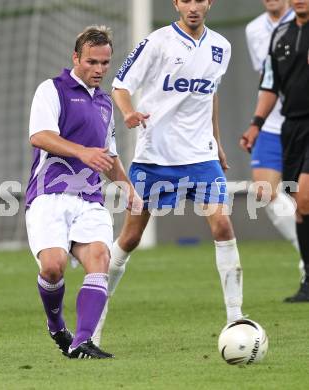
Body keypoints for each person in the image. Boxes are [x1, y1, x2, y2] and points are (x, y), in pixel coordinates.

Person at [93, 0, 245, 346]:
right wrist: (129, 113)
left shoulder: (222, 45)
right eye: (185, 0)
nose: (193, 6)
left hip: (201, 157)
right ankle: (94, 325)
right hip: (155, 158)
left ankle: (236, 319)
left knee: (222, 225)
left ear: (210, 3)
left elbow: (211, 96)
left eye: (199, 0)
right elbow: (120, 85)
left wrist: (217, 142)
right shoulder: (156, 42)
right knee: (129, 239)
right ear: (176, 3)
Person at [25, 25, 142, 359]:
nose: (99, 70)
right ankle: (57, 326)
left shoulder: (105, 103)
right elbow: (40, 136)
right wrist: (81, 151)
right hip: (49, 194)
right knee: (52, 267)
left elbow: (110, 156)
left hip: (90, 199)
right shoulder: (52, 90)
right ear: (75, 58)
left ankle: (83, 341)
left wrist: (128, 188)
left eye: (105, 63)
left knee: (100, 259)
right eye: (92, 62)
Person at [241, 0, 309, 302]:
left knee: (304, 195)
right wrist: (255, 123)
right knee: (298, 204)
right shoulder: (277, 34)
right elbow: (269, 83)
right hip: (287, 126)